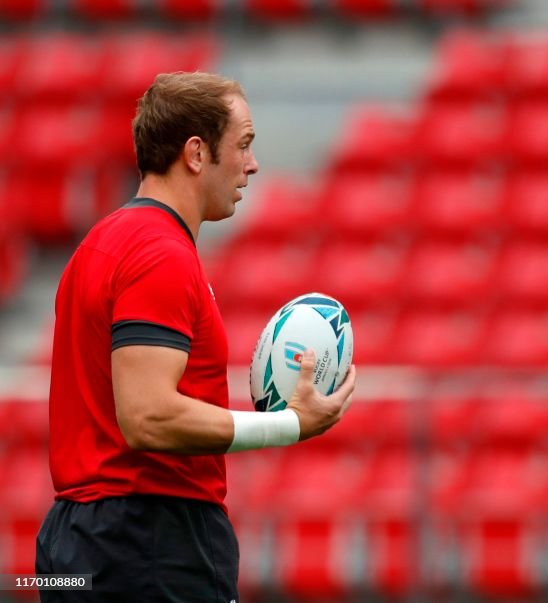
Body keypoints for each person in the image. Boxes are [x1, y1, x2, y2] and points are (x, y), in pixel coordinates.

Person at [35, 72, 357, 602]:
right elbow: (148, 417)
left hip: (79, 541)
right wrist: (289, 425)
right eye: (244, 145)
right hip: (149, 543)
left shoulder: (99, 244)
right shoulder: (159, 254)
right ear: (195, 152)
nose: (252, 166)